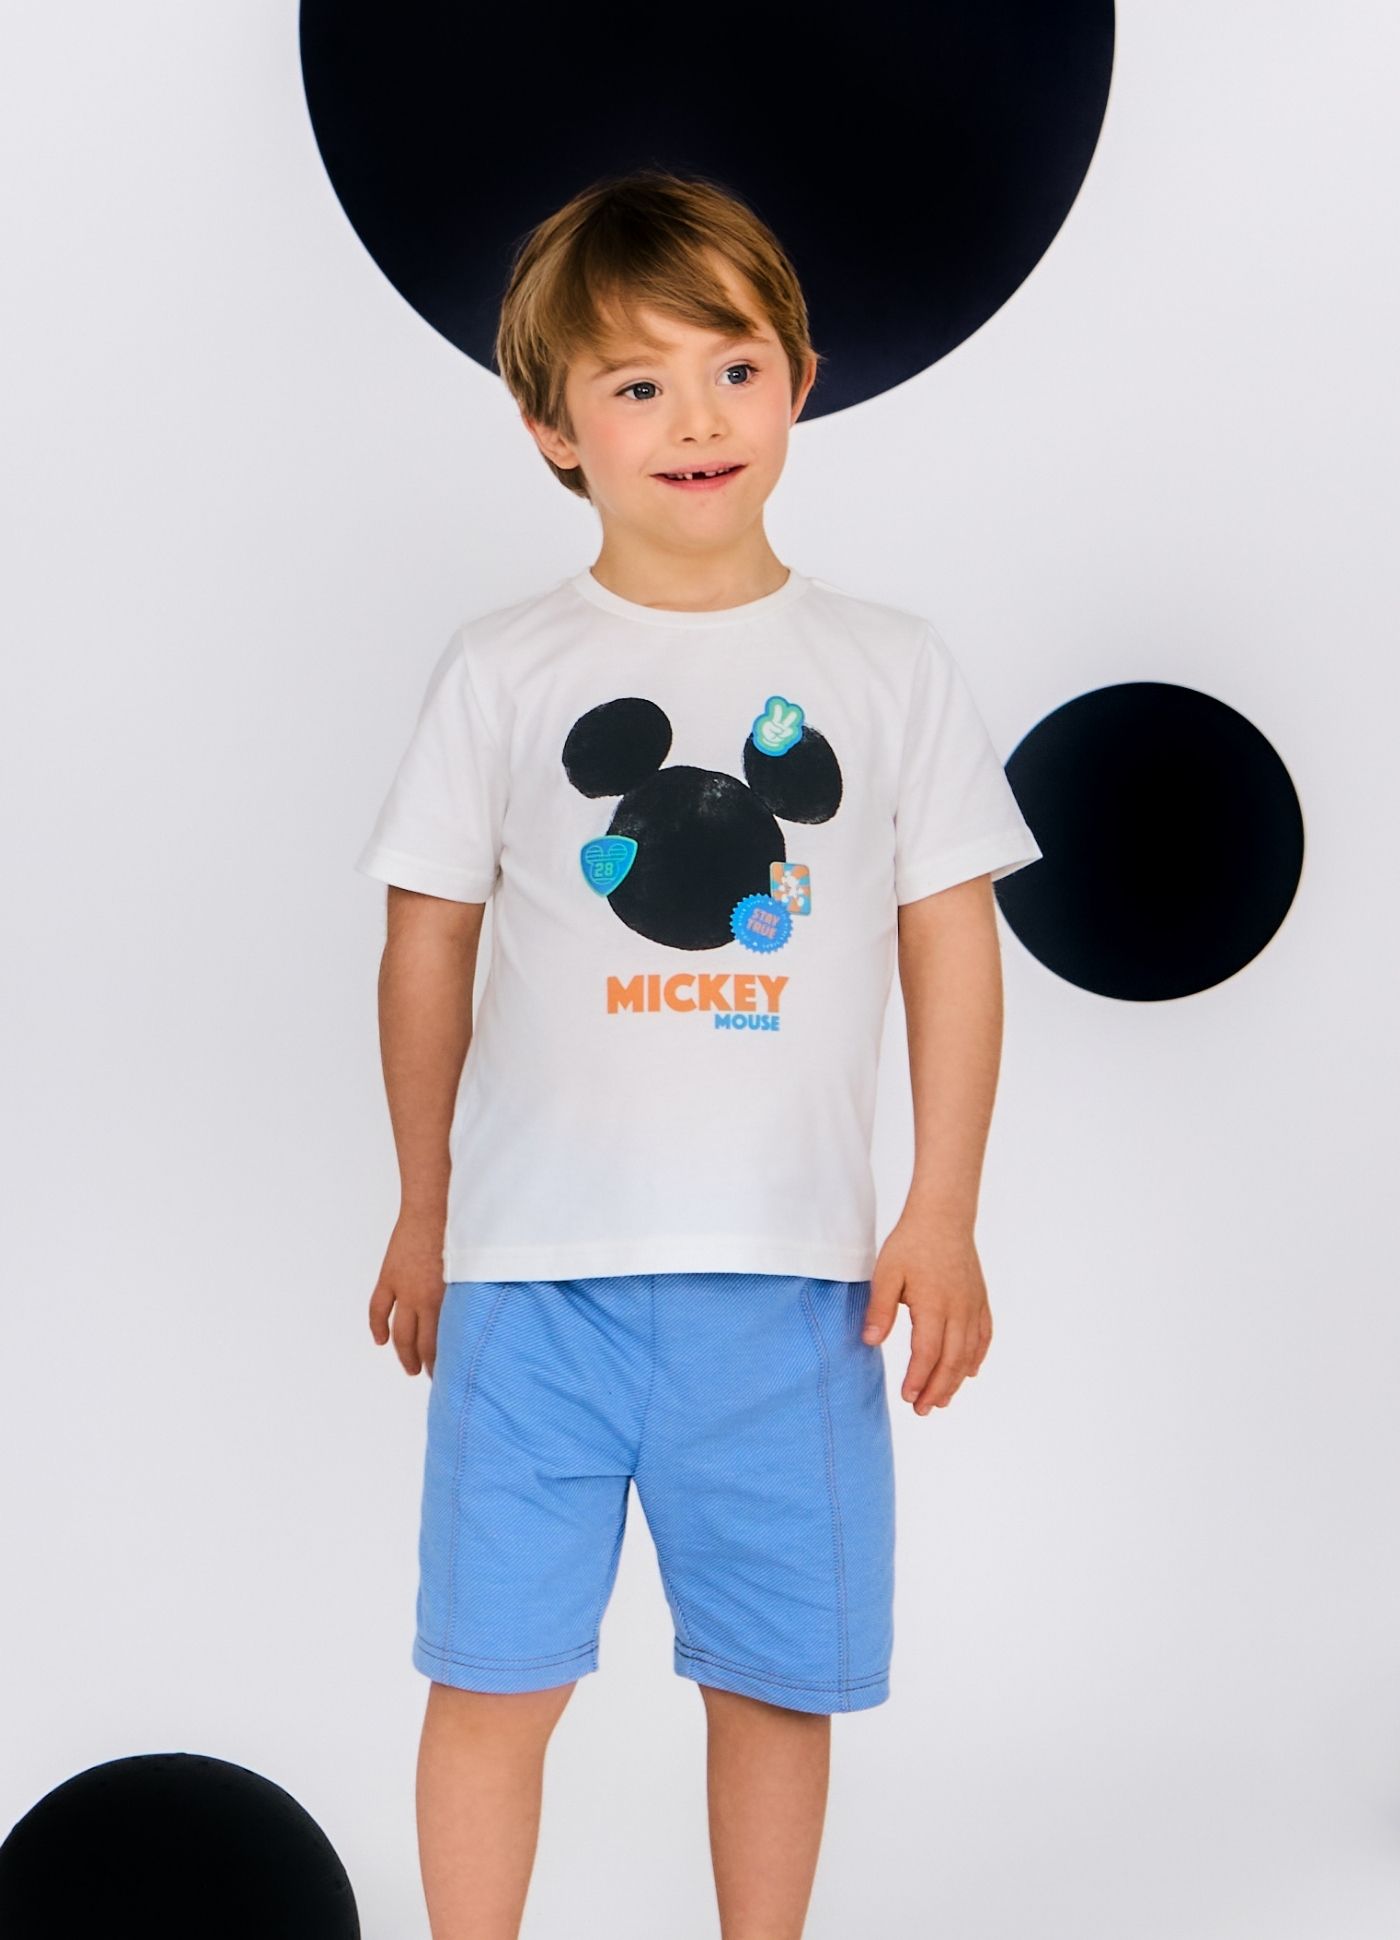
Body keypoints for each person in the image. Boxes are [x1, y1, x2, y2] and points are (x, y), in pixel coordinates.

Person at [355, 167, 1043, 1940]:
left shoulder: (888, 667)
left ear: (800, 379)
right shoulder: (505, 670)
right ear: (550, 429)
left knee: (778, 1678)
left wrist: (943, 1207)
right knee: (492, 1674)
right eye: (637, 384)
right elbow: (427, 944)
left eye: (733, 369)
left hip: (796, 1290)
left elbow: (951, 944)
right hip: (535, 1285)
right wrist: (424, 1207)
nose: (696, 420)